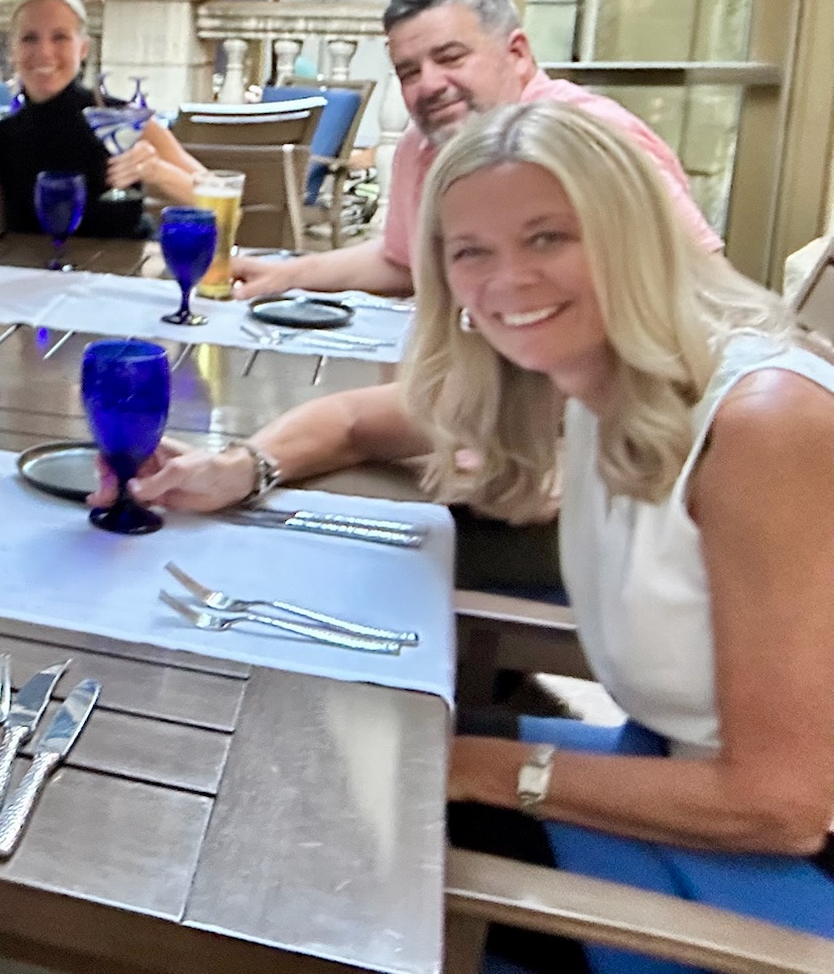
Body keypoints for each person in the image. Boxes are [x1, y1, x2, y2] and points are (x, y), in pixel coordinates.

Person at [129, 103, 834, 971]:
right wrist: (240, 467)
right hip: (667, 773)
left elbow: (781, 805)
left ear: (633, 236)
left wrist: (479, 769)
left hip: (775, 880)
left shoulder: (764, 423)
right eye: (472, 252)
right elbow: (353, 421)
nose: (510, 281)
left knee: (300, 861)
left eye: (548, 237)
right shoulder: (584, 369)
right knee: (310, 746)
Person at [229, 0, 721, 301]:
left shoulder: (592, 140)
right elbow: (403, 262)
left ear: (518, 55)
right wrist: (288, 275)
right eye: (409, 72)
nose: (429, 85)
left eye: (450, 58)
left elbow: (705, 285)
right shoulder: (422, 146)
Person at [0, 0, 206, 235]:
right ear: (13, 50)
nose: (44, 52)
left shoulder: (121, 120)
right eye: (29, 38)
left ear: (83, 48)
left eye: (60, 37)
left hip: (123, 261)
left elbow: (220, 202)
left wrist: (158, 172)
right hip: (33, 262)